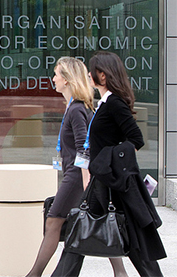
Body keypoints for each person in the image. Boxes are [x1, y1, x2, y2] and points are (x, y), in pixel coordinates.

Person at [51, 51, 166, 277]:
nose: (89, 75)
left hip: (113, 183)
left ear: (102, 76)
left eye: (93, 71)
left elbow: (136, 139)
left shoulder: (114, 103)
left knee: (132, 240)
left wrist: (106, 159)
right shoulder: (104, 103)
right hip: (102, 182)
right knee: (78, 232)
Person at [25, 57, 127, 277]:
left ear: (68, 80)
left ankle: (34, 274)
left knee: (53, 221)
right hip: (76, 175)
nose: (53, 79)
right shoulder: (75, 107)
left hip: (76, 177)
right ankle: (120, 273)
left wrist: (86, 182)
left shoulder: (77, 109)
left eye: (57, 74)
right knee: (89, 223)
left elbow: (84, 148)